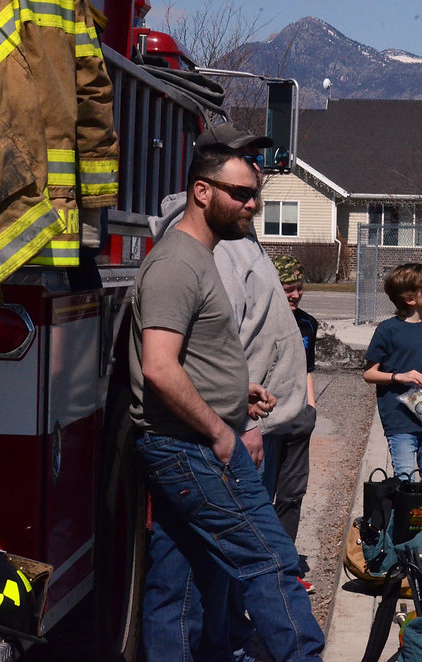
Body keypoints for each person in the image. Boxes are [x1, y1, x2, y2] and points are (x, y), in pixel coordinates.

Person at [129, 146, 324, 661]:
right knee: (272, 562)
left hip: (188, 443)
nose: (251, 205)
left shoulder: (200, 257)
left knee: (181, 581)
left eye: (255, 195)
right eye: (239, 193)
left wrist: (236, 393)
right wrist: (220, 430)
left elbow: (189, 360)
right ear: (202, 191)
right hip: (192, 449)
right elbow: (159, 365)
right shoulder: (175, 263)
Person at [363, 263, 422, 485]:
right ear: (410, 299)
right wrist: (397, 376)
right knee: (404, 480)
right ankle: (403, 521)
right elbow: (369, 374)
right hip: (400, 421)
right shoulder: (387, 330)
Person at [269, 256, 319, 547]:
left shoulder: (308, 325)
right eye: (289, 288)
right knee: (261, 492)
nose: (295, 295)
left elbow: (307, 370)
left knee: (291, 493)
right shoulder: (260, 322)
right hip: (265, 420)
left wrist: (311, 409)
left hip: (299, 418)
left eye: (299, 288)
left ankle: (287, 560)